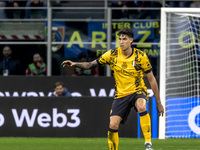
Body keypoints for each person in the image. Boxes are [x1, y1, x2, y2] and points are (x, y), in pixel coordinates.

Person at [62, 28, 164, 150]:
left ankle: (148, 144)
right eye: (120, 39)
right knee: (113, 125)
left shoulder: (140, 56)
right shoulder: (112, 55)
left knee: (142, 106)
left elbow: (151, 79)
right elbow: (90, 65)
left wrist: (158, 102)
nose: (121, 42)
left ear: (131, 40)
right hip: (121, 94)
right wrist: (74, 64)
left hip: (138, 90)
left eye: (124, 39)